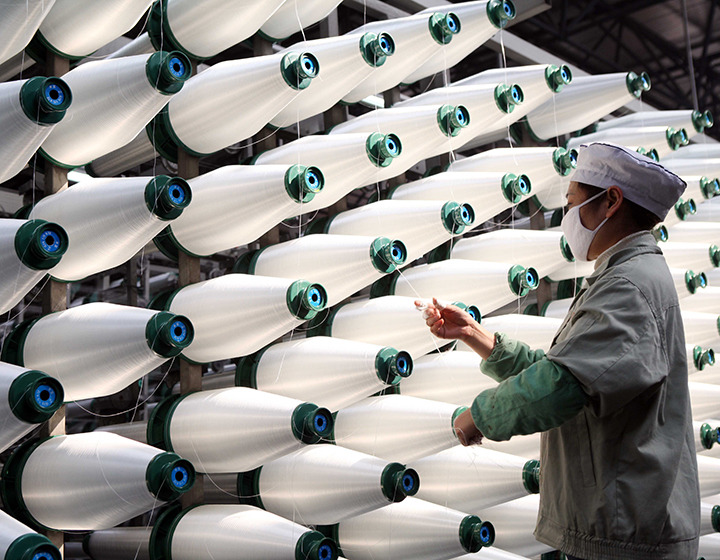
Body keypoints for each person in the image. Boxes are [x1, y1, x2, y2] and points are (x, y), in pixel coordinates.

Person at [418, 142, 700, 560]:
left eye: (572, 203)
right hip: (620, 527)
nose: (566, 217)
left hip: (623, 537)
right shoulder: (624, 275)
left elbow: (562, 386)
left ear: (611, 201)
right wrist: (476, 336)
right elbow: (571, 370)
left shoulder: (629, 285)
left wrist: (478, 416)